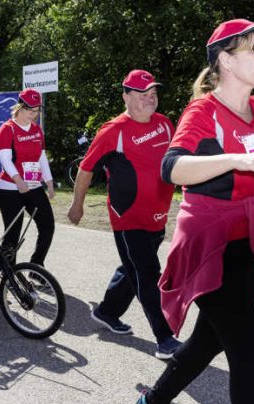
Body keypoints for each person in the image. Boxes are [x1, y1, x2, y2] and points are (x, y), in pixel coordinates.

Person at [133, 19, 254, 404]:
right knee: (249, 353)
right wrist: (236, 160)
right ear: (226, 60)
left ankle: (153, 402)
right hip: (211, 248)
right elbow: (171, 168)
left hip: (252, 244)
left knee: (210, 339)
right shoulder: (203, 112)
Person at [67, 69, 180, 359]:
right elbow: (86, 168)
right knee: (147, 272)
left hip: (158, 213)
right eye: (143, 95)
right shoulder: (113, 131)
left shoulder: (165, 124)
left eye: (153, 94)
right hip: (128, 217)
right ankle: (165, 338)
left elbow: (175, 164)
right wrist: (77, 205)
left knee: (131, 268)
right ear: (126, 97)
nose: (150, 99)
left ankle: (107, 311)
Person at [0, 88, 55, 266]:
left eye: (36, 111)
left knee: (47, 225)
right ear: (20, 107)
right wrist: (18, 181)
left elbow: (42, 157)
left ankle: (37, 265)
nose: (33, 114)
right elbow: (5, 159)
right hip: (10, 188)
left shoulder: (37, 130)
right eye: (30, 110)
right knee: (13, 234)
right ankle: (9, 271)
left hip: (34, 186)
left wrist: (49, 182)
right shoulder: (8, 129)